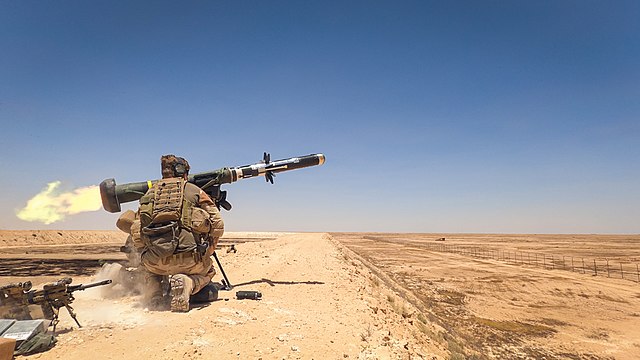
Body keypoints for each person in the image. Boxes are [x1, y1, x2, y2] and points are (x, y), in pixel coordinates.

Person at [134, 154, 224, 312]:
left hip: (155, 263)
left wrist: (147, 254)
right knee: (209, 271)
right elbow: (218, 225)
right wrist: (208, 250)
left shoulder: (148, 195)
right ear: (183, 171)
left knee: (148, 268)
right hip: (190, 261)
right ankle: (188, 283)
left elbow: (136, 232)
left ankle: (154, 295)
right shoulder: (195, 191)